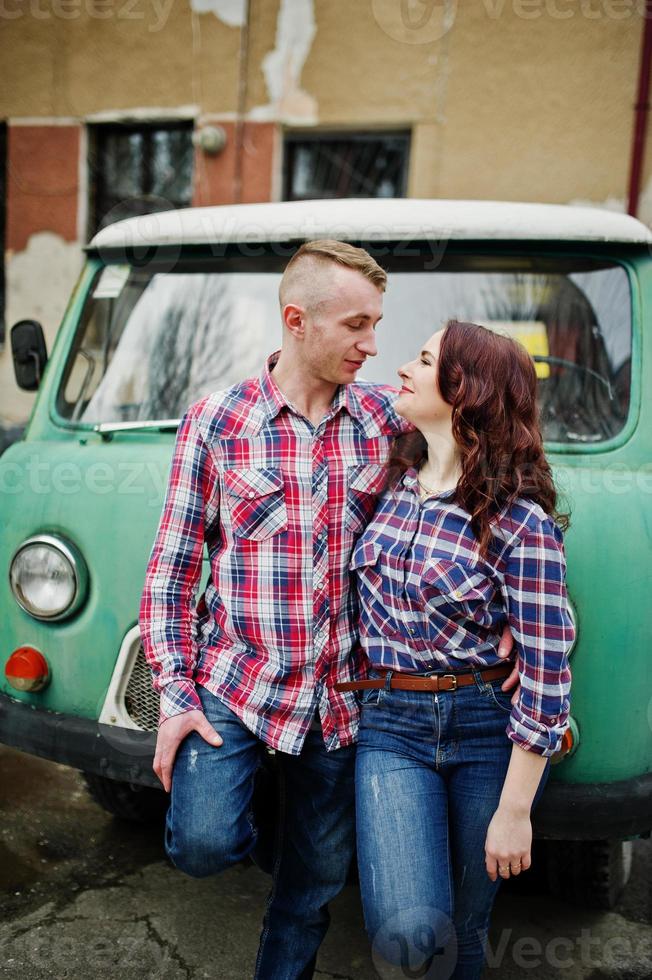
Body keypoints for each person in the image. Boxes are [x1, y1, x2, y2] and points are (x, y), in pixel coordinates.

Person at [139, 244, 516, 980]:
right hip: (240, 686)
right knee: (202, 844)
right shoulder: (217, 422)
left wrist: (511, 595)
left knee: (313, 887)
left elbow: (500, 468)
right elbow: (172, 572)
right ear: (296, 321)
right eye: (356, 325)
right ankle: (272, 818)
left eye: (377, 325)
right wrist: (176, 696)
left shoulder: (386, 418)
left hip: (348, 701)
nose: (373, 345)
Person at [336, 320, 575, 980]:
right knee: (410, 934)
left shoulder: (516, 520)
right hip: (390, 724)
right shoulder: (389, 483)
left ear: (465, 389)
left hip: (487, 733)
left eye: (422, 359)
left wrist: (516, 812)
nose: (402, 369)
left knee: (462, 929)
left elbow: (548, 671)